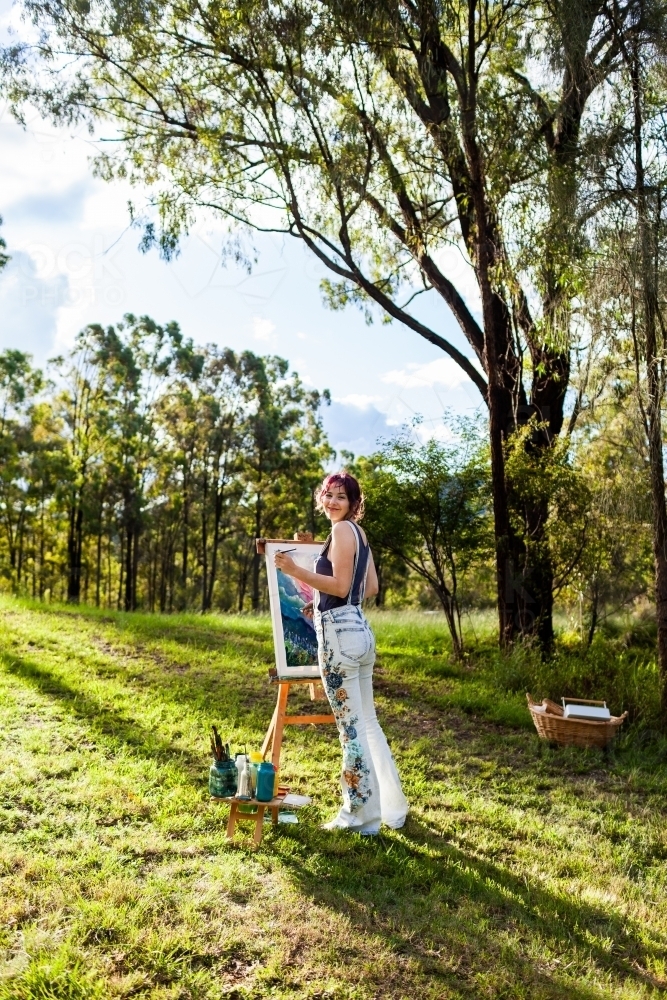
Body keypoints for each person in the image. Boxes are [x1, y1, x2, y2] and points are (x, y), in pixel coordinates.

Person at [274, 471, 408, 835]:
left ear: (353, 504)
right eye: (328, 495)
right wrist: (322, 605)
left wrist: (295, 570)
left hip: (339, 638)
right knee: (367, 723)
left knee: (351, 730)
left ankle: (359, 817)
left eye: (341, 497)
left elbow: (341, 583)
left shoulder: (341, 531)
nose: (332, 501)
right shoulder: (359, 535)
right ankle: (391, 808)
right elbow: (370, 587)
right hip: (360, 631)